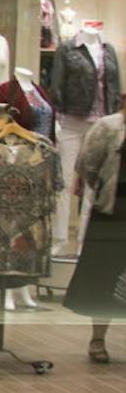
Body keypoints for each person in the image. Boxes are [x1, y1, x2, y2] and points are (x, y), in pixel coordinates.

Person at [64, 92, 126, 363]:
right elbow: (88, 165)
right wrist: (102, 191)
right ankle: (98, 337)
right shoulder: (108, 127)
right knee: (103, 277)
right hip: (112, 212)